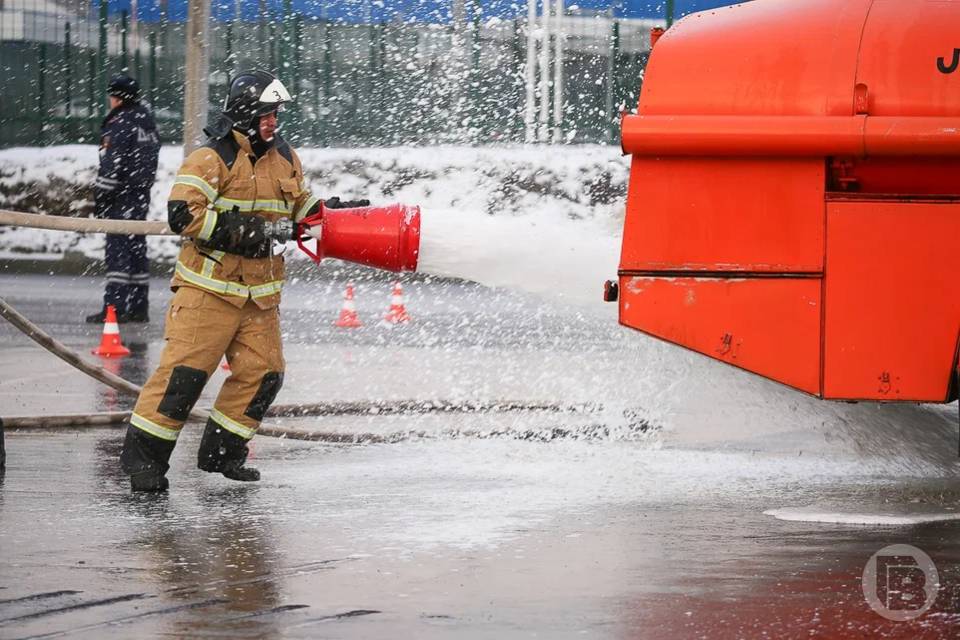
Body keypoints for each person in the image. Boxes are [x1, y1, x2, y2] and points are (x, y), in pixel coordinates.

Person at [118, 70, 367, 492]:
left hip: (259, 297)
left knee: (264, 374)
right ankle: (145, 465)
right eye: (268, 114)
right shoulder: (209, 159)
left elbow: (297, 204)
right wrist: (249, 231)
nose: (274, 121)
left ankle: (223, 454)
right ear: (246, 112)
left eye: (277, 114)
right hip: (208, 292)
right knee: (183, 379)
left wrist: (327, 212)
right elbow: (184, 215)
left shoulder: (285, 156)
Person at [86, 74, 161, 324]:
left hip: (121, 195)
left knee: (118, 251)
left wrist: (103, 195)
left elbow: (112, 162)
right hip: (140, 194)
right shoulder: (146, 120)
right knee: (136, 248)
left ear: (117, 98)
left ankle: (114, 308)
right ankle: (139, 307)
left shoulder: (120, 122)